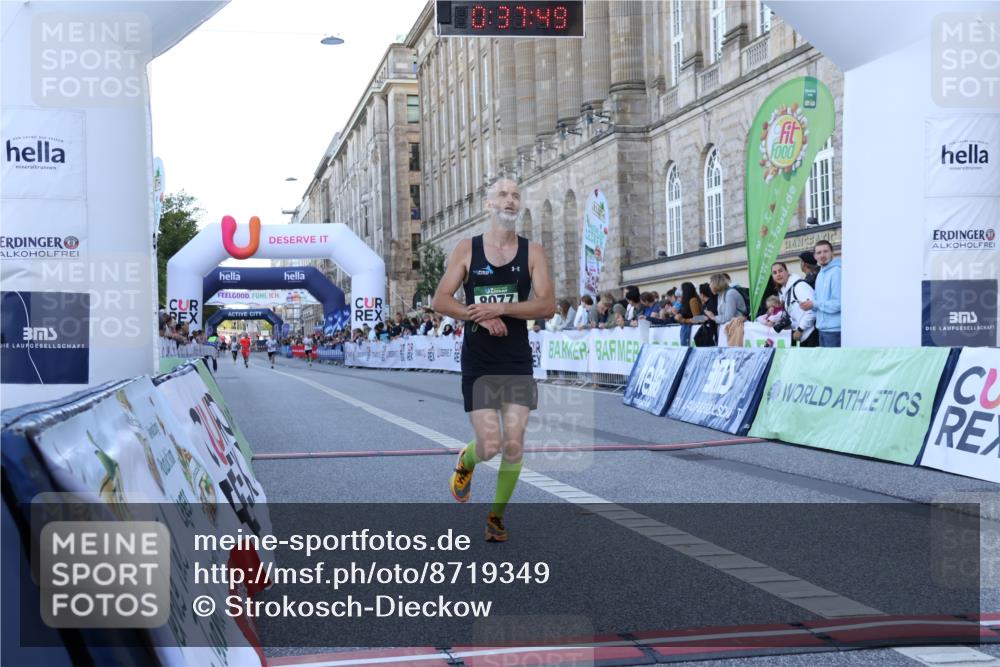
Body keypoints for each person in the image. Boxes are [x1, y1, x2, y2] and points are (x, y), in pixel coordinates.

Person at [432, 176, 555, 542]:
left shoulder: (532, 252)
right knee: (489, 445)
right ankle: (466, 461)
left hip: (516, 359)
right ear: (488, 205)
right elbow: (441, 300)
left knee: (514, 442)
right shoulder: (467, 249)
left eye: (516, 195)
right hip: (480, 361)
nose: (510, 200)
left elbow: (546, 305)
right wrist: (481, 316)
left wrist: (502, 306)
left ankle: (495, 517)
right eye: (502, 194)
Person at [801, 240, 841, 347]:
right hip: (822, 329)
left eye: (825, 251)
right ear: (815, 256)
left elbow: (838, 304)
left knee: (833, 364)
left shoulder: (837, 272)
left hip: (835, 330)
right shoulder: (820, 274)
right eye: (819, 252)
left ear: (832, 253)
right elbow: (818, 302)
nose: (822, 255)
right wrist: (810, 305)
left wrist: (814, 304)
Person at [770, 261, 817, 347]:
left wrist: (800, 329)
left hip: (812, 334)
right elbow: (795, 314)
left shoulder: (799, 286)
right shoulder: (783, 292)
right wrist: (789, 324)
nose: (778, 274)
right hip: (803, 336)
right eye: (774, 273)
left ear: (787, 271)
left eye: (781, 271)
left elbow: (812, 310)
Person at [673, 282, 703, 347]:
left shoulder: (693, 300)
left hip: (693, 330)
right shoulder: (686, 302)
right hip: (688, 329)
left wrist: (683, 320)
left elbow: (698, 318)